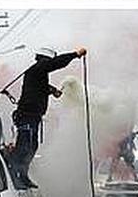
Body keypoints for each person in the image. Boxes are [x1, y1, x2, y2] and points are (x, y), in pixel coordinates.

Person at [9, 46, 87, 187]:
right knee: (25, 146)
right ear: (45, 59)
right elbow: (56, 63)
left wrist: (53, 91)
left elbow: (41, 88)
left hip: (32, 116)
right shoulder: (38, 69)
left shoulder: (37, 74)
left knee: (32, 145)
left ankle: (23, 174)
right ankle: (15, 176)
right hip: (27, 115)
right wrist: (75, 54)